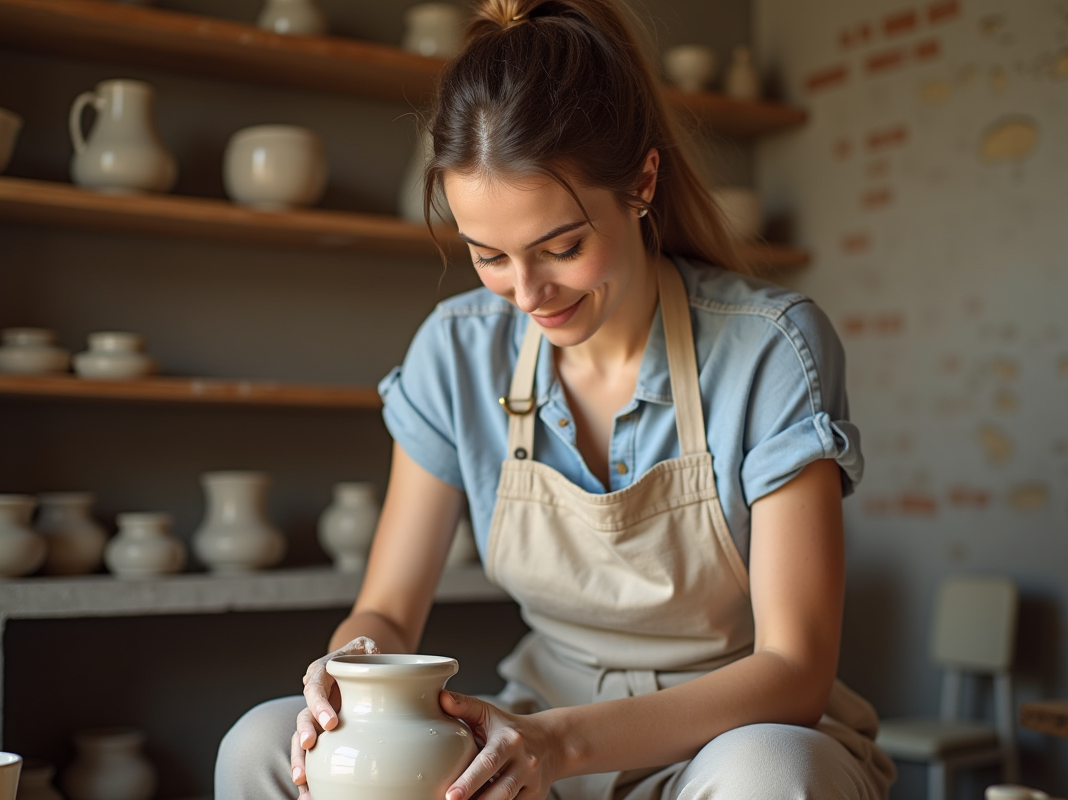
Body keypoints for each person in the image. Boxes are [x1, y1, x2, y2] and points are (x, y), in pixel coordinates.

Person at [215, 0, 897, 798]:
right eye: (488, 256)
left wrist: (560, 744)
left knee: (765, 777)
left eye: (562, 247)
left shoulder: (770, 348)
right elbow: (388, 615)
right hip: (537, 729)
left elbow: (794, 669)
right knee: (259, 745)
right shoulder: (457, 352)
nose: (528, 292)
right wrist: (350, 671)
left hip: (728, 736)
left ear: (642, 182)